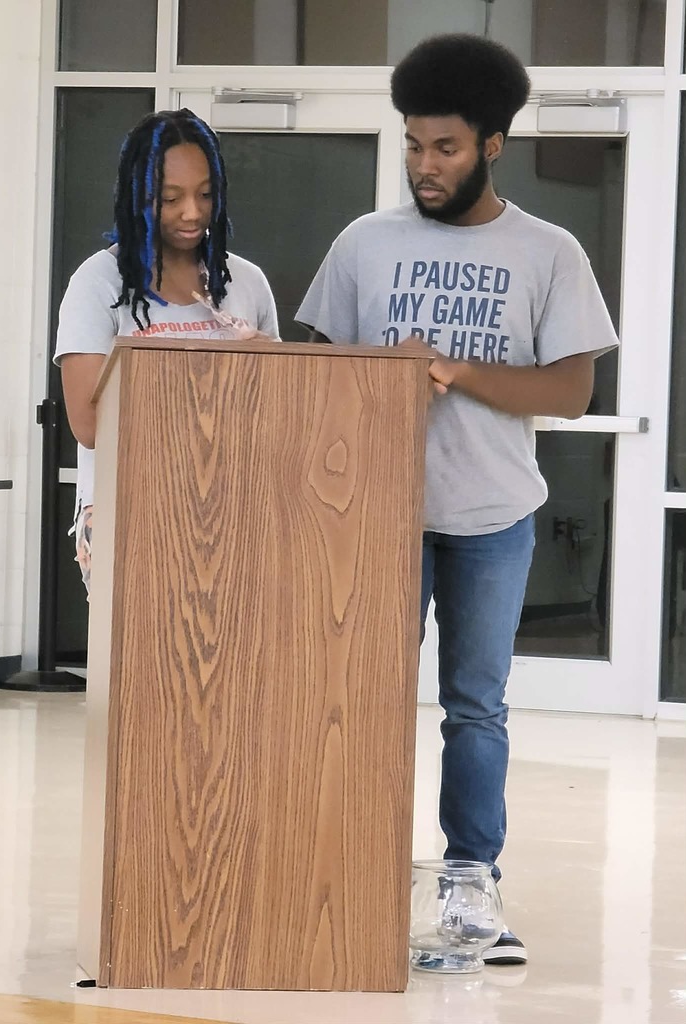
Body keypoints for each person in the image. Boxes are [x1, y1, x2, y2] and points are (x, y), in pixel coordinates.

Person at [296, 34, 618, 966]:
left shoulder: (548, 252)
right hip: (375, 520)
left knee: (474, 709)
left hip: (491, 519)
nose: (423, 165)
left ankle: (472, 882)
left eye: (444, 147)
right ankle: (344, 870)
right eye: (412, 144)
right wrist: (378, 377)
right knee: (357, 699)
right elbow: (323, 376)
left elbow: (568, 393)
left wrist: (456, 369)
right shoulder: (366, 242)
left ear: (492, 145)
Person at [54, 108, 279, 593]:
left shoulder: (247, 283)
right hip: (130, 518)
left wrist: (272, 371)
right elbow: (90, 425)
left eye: (205, 194)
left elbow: (279, 415)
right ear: (137, 197)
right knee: (143, 666)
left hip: (235, 516)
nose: (193, 213)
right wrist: (215, 395)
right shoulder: (97, 283)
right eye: (169, 198)